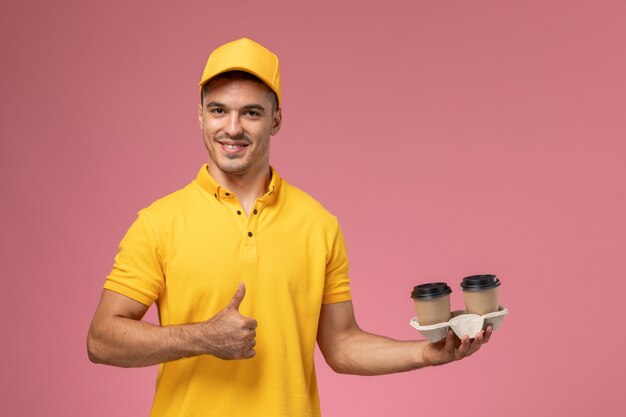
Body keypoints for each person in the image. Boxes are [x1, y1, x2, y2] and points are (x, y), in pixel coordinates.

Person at [87, 38, 492, 417]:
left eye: (251, 112)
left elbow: (342, 345)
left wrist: (427, 353)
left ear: (276, 120)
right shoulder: (159, 222)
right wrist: (201, 338)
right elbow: (102, 340)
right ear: (200, 116)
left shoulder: (318, 224)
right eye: (218, 110)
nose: (232, 128)